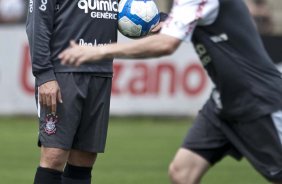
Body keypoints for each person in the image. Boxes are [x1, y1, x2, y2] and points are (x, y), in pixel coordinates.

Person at [59, 0, 282, 183]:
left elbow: (166, 45)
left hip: (259, 100)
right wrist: (165, 21)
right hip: (223, 102)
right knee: (182, 173)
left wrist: (100, 51)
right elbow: (185, 25)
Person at [26, 0, 163, 183]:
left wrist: (162, 19)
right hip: (64, 72)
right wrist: (44, 75)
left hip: (101, 72)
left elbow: (134, 5)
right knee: (54, 155)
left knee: (84, 159)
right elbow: (38, 23)